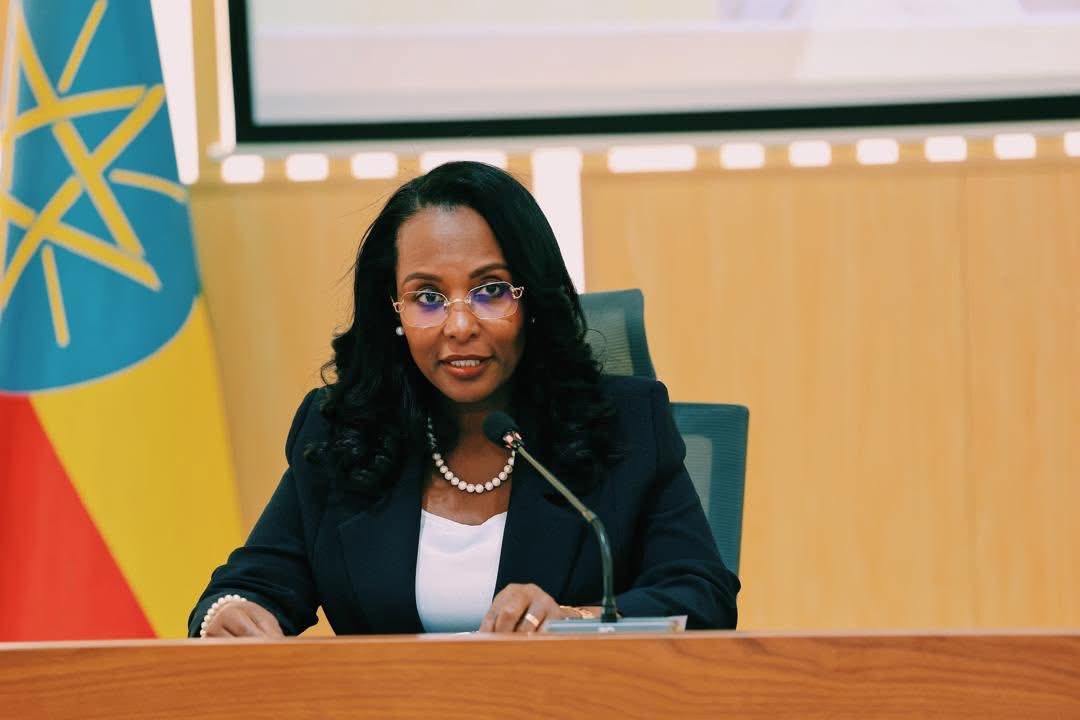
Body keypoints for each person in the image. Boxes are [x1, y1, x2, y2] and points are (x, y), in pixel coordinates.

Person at [189, 161, 739, 637]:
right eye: (427, 297)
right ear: (394, 311)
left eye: (491, 290)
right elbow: (252, 583)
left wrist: (574, 622)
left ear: (532, 299)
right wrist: (231, 612)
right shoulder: (342, 432)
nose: (458, 325)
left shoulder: (625, 425)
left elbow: (701, 594)